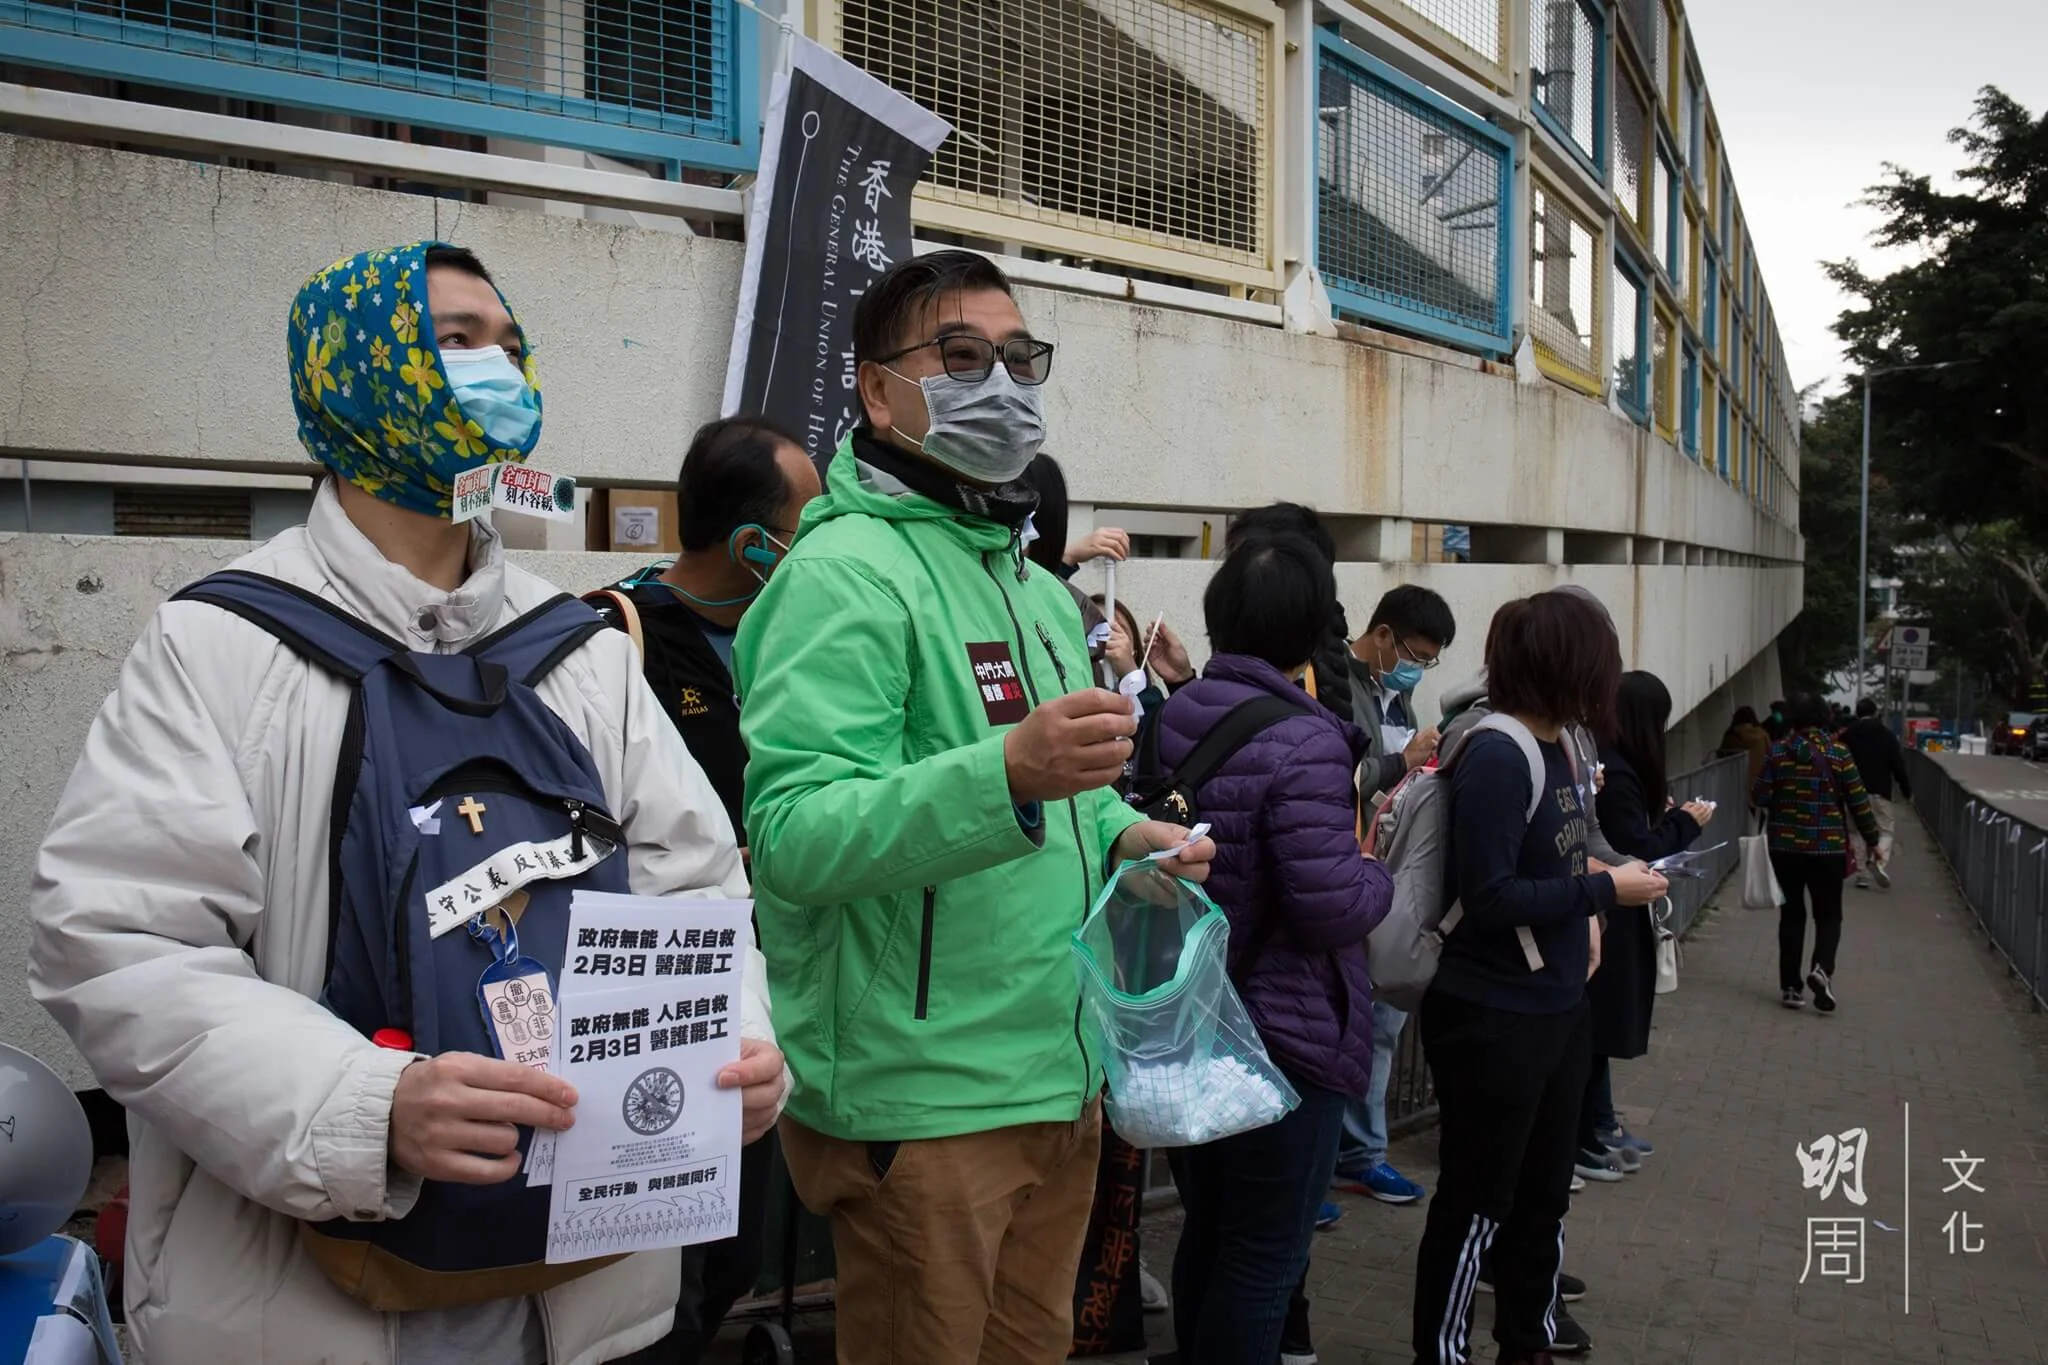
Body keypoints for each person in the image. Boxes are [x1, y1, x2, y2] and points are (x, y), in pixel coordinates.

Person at [27, 242, 786, 1365]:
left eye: (511, 345)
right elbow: (121, 945)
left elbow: (696, 888)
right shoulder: (217, 645)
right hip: (306, 1304)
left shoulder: (578, 651)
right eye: (456, 340)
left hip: (589, 1300)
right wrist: (366, 1104)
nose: (500, 371)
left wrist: (737, 1042)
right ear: (353, 375)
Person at [731, 249, 1215, 1364]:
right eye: (959, 357)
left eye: (1019, 359)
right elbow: (794, 836)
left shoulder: (1037, 590)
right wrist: (1005, 774)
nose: (999, 383)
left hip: (1058, 1072)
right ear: (876, 389)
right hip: (924, 1101)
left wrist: (1124, 833)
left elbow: (1064, 799)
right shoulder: (843, 575)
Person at [587, 414, 821, 1360]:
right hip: (657, 990)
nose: (824, 542)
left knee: (733, 1252)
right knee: (661, 1270)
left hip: (764, 980)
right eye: (809, 523)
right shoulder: (616, 634)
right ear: (753, 543)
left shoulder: (794, 635)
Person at [1152, 532, 1395, 1364]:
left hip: (1193, 1018)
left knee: (1210, 1233)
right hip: (1283, 1037)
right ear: (1309, 631)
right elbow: (1331, 905)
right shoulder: (1309, 739)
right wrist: (1378, 872)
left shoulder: (1178, 711)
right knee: (1263, 1258)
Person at [1412, 590, 1669, 1365]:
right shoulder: (1498, 752)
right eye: (1601, 658)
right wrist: (1602, 892)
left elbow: (1562, 855)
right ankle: (1442, 1352)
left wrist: (1596, 891)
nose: (1609, 675)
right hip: (1492, 1013)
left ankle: (1527, 1342)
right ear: (1567, 664)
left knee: (1544, 1197)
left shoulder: (1563, 746)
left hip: (1556, 1004)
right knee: (1478, 1201)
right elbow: (1489, 895)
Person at [1331, 585, 1456, 1207]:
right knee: (1340, 1024)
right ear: (1382, 636)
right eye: (1415, 656)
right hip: (1344, 870)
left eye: (1430, 661)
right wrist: (1401, 759)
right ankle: (1341, 1155)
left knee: (1381, 1024)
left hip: (1388, 874)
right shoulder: (1335, 681)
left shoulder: (1396, 693)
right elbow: (1339, 776)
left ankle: (1361, 1153)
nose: (1418, 670)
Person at [1583, 672, 1711, 1170]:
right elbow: (1633, 848)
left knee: (1595, 1032)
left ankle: (1599, 1123)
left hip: (1608, 906)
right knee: (1594, 1029)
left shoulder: (1609, 764)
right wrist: (1684, 825)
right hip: (1608, 913)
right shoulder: (1616, 772)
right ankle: (1589, 1132)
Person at [1754, 692, 1882, 1012]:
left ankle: (1790, 988)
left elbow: (1760, 796)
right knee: (1828, 915)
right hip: (1828, 849)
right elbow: (1858, 802)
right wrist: (1873, 840)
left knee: (1791, 915)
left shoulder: (1778, 752)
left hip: (1785, 848)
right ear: (1824, 717)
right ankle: (1822, 970)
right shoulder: (1838, 753)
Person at [1841, 697, 1911, 889]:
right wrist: (1906, 790)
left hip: (1853, 791)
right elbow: (1898, 766)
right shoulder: (1887, 735)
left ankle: (1862, 873)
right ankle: (1878, 862)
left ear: (1857, 713)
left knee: (1856, 831)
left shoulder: (1848, 736)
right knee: (1885, 829)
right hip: (1880, 792)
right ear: (1876, 713)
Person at [1716, 705, 1773, 787]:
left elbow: (1721, 754)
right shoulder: (1762, 735)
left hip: (1736, 783)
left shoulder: (1732, 736)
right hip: (1763, 779)